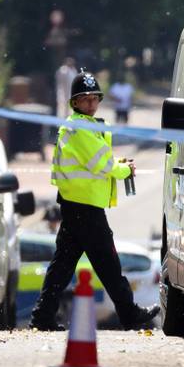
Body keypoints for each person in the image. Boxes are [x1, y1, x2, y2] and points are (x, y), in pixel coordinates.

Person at [29, 70, 160, 331]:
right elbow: (101, 163)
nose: (90, 103)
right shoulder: (81, 128)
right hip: (85, 208)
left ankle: (43, 316)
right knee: (108, 263)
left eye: (94, 99)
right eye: (84, 99)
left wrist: (118, 164)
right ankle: (129, 312)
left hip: (75, 204)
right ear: (75, 103)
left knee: (63, 265)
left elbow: (94, 161)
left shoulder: (78, 126)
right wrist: (123, 169)